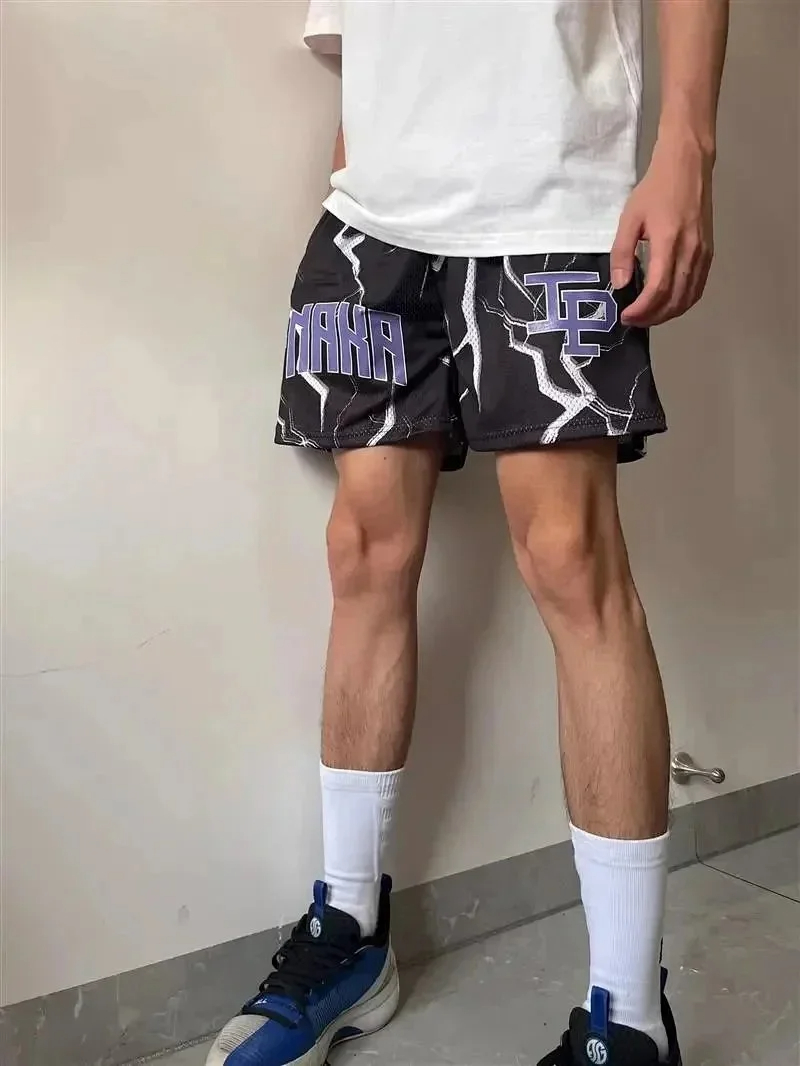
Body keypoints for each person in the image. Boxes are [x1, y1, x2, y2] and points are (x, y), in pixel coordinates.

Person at [207, 1, 729, 1064]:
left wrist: (686, 148)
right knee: (362, 549)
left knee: (572, 562)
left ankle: (629, 1020)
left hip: (551, 206)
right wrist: (354, 176)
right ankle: (350, 932)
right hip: (372, 225)